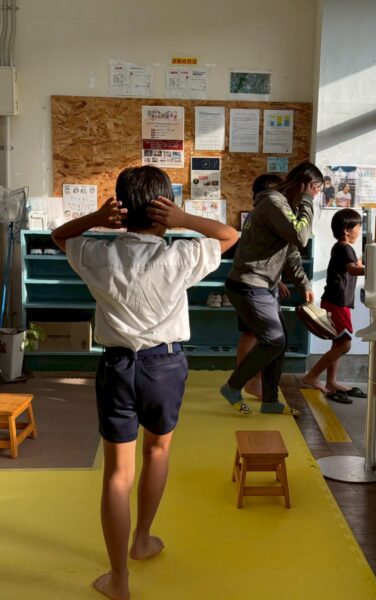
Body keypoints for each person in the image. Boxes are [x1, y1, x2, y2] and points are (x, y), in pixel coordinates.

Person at [52, 165, 239, 600]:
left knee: (117, 475)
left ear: (120, 210)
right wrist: (184, 220)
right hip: (165, 365)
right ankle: (142, 539)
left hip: (118, 366)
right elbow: (229, 235)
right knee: (158, 450)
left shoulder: (98, 254)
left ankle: (118, 580)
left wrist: (97, 218)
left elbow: (60, 235)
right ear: (163, 210)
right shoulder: (181, 255)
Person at [220, 161, 324, 416]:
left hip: (263, 285)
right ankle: (233, 386)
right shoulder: (274, 204)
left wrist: (304, 283)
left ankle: (270, 401)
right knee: (273, 340)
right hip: (249, 284)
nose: (316, 197)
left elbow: (292, 252)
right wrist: (308, 200)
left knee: (280, 341)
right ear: (305, 185)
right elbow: (301, 237)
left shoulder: (285, 207)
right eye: (316, 190)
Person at [301, 208, 366, 403]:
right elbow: (353, 270)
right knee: (345, 344)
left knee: (338, 342)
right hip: (337, 302)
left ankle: (331, 381)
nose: (359, 230)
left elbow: (355, 264)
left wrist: (366, 259)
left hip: (336, 301)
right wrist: (375, 269)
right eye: (358, 227)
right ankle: (312, 376)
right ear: (347, 230)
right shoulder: (345, 248)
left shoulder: (341, 248)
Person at [236, 173, 289, 399]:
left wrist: (278, 280)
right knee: (253, 334)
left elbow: (266, 254)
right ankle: (249, 381)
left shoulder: (262, 213)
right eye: (279, 190)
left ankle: (250, 381)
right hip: (252, 284)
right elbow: (254, 255)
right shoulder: (263, 213)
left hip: (260, 283)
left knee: (258, 334)